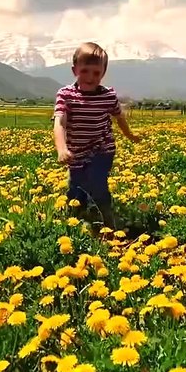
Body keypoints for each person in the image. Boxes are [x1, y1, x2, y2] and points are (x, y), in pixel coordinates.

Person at [53, 41, 140, 231]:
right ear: (74, 70)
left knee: (96, 181)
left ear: (103, 73)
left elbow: (120, 117)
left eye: (96, 73)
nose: (90, 78)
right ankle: (79, 219)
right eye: (85, 71)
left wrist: (130, 135)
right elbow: (59, 123)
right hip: (75, 152)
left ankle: (108, 219)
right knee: (76, 187)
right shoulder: (66, 95)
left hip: (103, 149)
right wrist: (62, 149)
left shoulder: (108, 95)